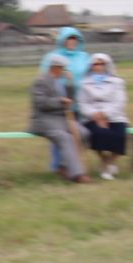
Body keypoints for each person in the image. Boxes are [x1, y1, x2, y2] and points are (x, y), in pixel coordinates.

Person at [37, 27, 92, 173]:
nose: (71, 42)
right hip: (58, 101)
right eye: (69, 38)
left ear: (79, 40)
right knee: (60, 134)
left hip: (79, 100)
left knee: (78, 134)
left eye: (74, 39)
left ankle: (73, 165)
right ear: (62, 40)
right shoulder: (52, 57)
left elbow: (89, 76)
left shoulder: (84, 57)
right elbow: (45, 77)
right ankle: (58, 165)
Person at [29, 55, 88, 182]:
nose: (65, 72)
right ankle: (77, 174)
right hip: (44, 120)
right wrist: (60, 101)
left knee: (83, 132)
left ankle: (64, 166)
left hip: (60, 119)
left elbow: (70, 100)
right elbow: (40, 103)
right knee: (65, 137)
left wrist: (70, 83)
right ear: (55, 68)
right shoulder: (41, 81)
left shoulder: (61, 82)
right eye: (64, 69)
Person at [76, 51, 130, 179]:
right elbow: (82, 103)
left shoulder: (117, 82)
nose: (98, 66)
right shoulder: (84, 83)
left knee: (120, 135)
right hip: (92, 117)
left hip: (114, 116)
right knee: (98, 134)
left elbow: (120, 101)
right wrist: (96, 115)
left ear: (106, 65)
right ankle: (105, 162)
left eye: (101, 64)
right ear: (91, 66)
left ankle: (111, 162)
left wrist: (105, 115)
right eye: (95, 64)